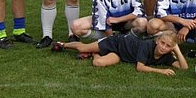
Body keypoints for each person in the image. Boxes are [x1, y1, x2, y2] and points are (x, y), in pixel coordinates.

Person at [51, 30, 188, 75]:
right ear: (157, 41)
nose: (163, 47)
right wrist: (161, 71)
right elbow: (139, 67)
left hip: (120, 55)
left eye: (168, 46)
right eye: (162, 43)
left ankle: (94, 54)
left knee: (98, 63)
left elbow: (184, 67)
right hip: (117, 42)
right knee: (83, 48)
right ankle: (63, 44)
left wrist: (177, 49)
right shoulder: (147, 46)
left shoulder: (166, 55)